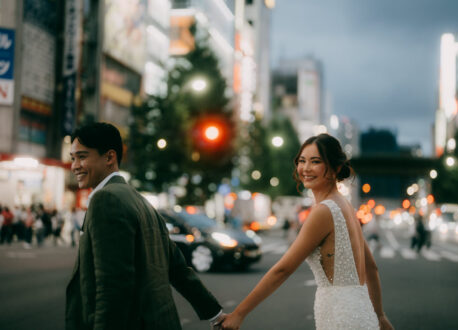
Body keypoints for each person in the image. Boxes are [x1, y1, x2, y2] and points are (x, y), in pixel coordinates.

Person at [220, 134, 393, 330]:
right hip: (361, 313)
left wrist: (239, 314)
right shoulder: (346, 206)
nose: (306, 168)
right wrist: (379, 316)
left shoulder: (324, 211)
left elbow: (283, 270)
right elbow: (371, 268)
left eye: (316, 161)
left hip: (340, 316)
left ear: (336, 168)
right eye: (302, 161)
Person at [66, 122, 225, 329]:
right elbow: (177, 268)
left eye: (82, 156)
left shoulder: (106, 200)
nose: (74, 166)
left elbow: (113, 288)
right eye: (72, 158)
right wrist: (215, 313)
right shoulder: (141, 201)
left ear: (109, 157)